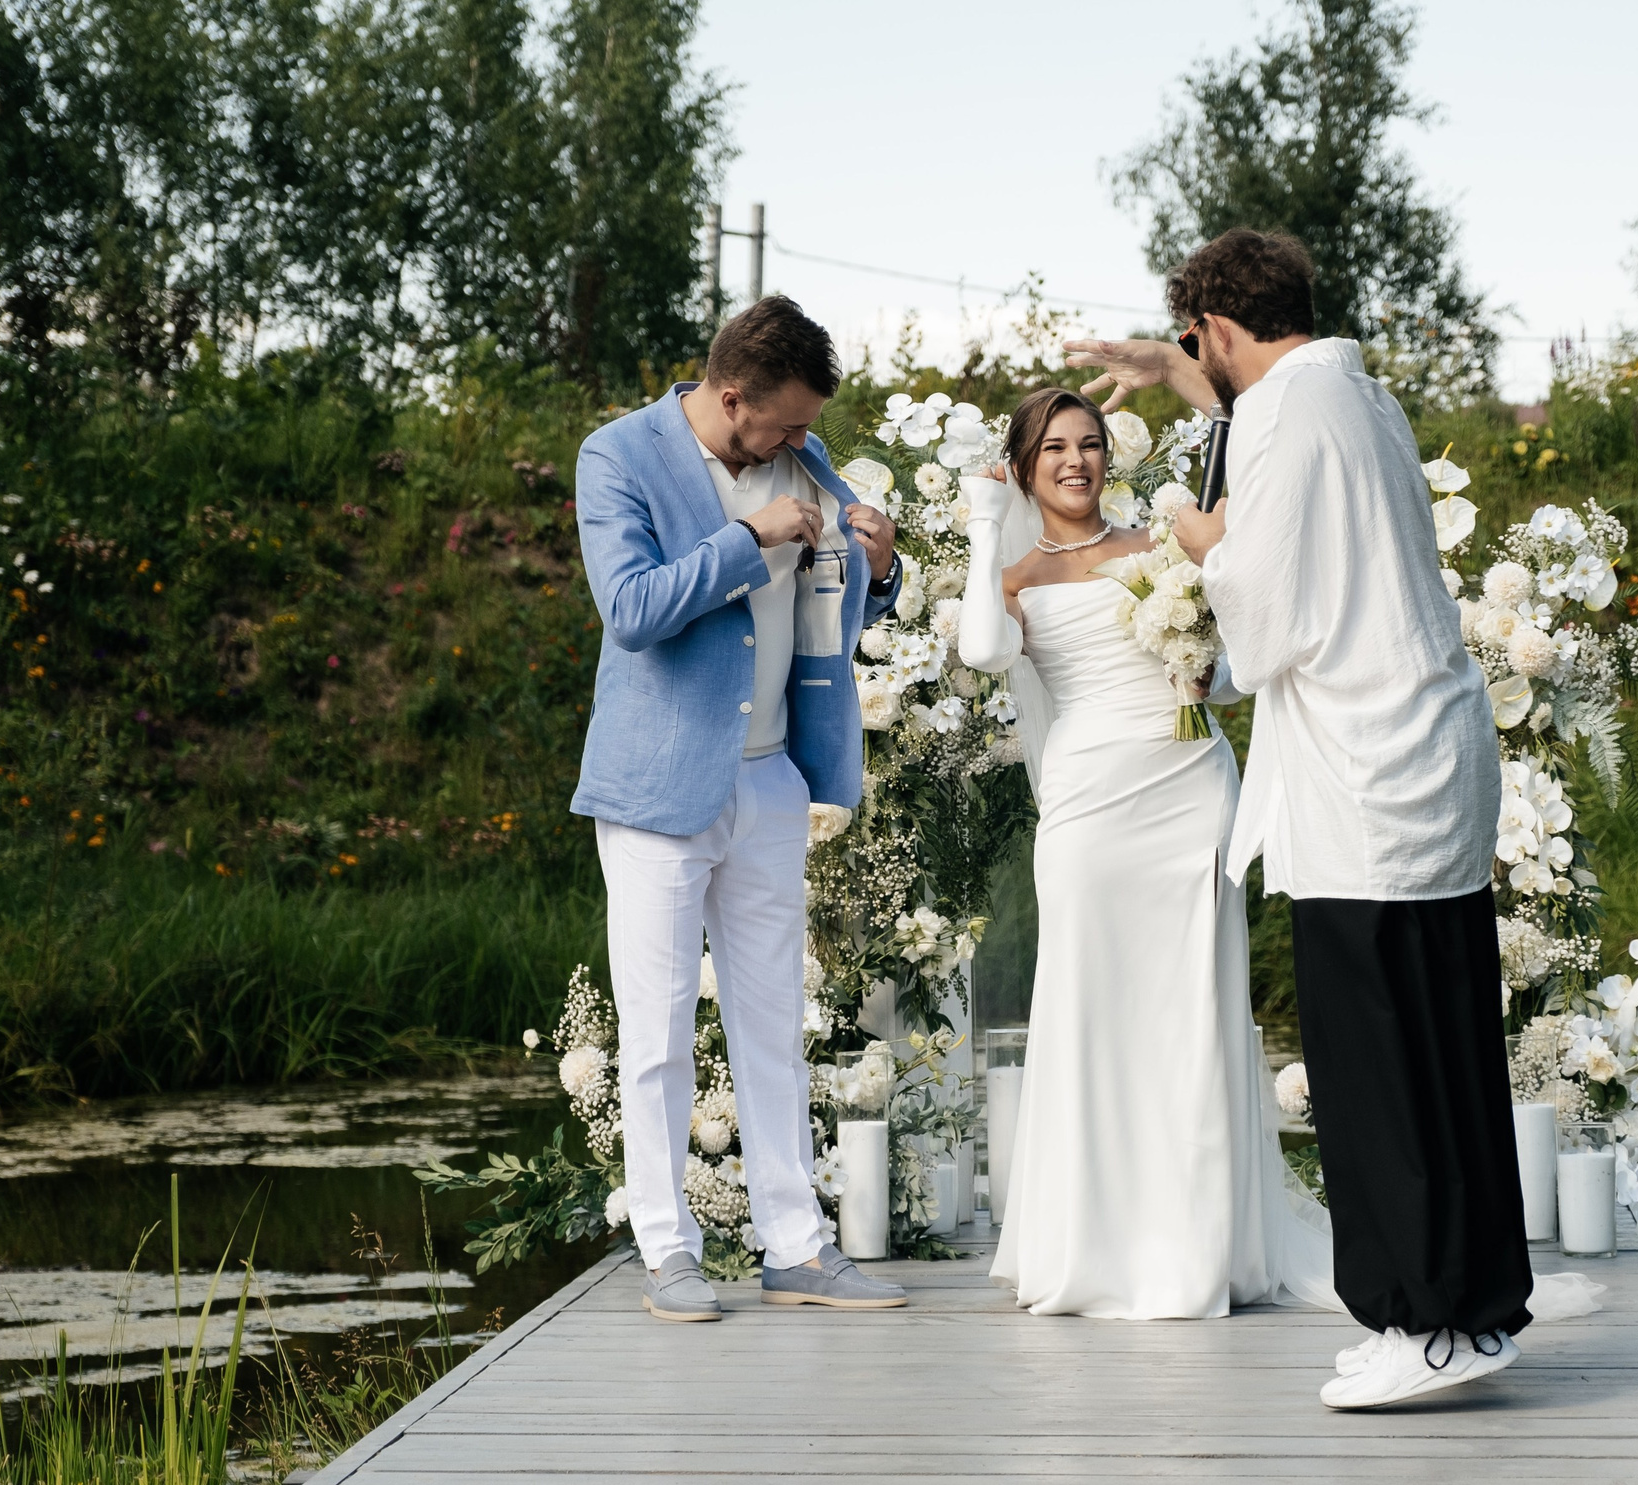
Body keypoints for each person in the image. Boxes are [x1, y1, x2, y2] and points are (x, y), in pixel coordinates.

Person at [1066, 229, 1541, 1407]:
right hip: (1421, 753)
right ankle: (1472, 1309)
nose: (1195, 361)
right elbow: (1290, 502)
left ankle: (1420, 1324)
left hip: (1364, 776)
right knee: (1444, 1049)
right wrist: (1186, 383)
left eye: (1194, 346)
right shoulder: (1353, 393)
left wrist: (1181, 519)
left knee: (1377, 1056)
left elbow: (1262, 610)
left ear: (1218, 328)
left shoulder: (1284, 416)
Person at [957, 388, 1339, 1320]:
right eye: (1054, 449)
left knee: (1191, 1013)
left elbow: (1243, 669)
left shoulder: (1161, 546)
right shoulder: (1010, 583)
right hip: (1088, 805)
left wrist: (1212, 675)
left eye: (1089, 444)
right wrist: (981, 520)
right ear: (1024, 465)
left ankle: (1198, 1245)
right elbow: (978, 650)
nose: (1077, 461)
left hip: (1187, 788)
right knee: (1089, 1008)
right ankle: (1090, 1246)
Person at [573, 296, 909, 1320]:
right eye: (791, 424)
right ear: (732, 397)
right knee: (660, 1030)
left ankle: (796, 1246)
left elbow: (842, 587)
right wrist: (743, 537)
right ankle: (666, 1248)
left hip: (771, 777)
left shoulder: (802, 458)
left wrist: (885, 570)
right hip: (657, 786)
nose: (807, 442)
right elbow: (628, 609)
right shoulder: (619, 456)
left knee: (771, 1025)